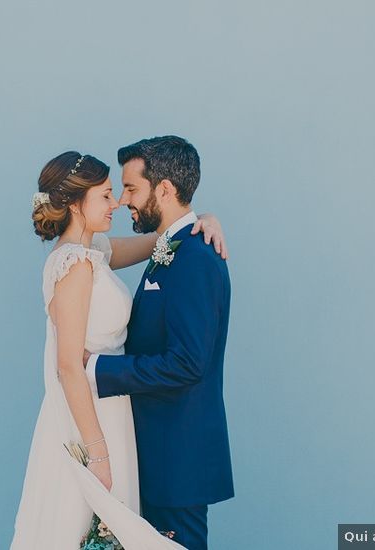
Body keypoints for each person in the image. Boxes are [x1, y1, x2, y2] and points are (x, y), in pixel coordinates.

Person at [11, 149, 227, 548]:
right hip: (92, 420)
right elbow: (69, 366)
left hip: (117, 413)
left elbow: (160, 240)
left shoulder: (97, 253)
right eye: (107, 195)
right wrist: (98, 454)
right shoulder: (74, 265)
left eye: (121, 191)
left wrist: (202, 220)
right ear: (76, 205)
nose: (118, 203)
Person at [84, 136, 234, 550]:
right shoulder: (173, 247)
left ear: (164, 189)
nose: (123, 200)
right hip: (157, 457)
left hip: (177, 463)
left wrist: (96, 367)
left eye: (131, 188)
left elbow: (188, 363)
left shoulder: (196, 259)